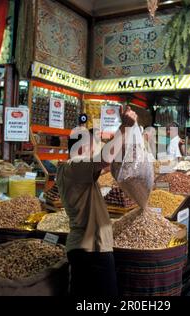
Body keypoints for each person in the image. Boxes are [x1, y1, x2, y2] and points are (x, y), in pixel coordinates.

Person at [56, 107, 137, 296]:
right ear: (84, 147)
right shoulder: (73, 166)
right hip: (90, 249)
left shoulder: (77, 170)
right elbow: (104, 158)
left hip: (88, 248)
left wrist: (127, 136)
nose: (97, 148)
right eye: (95, 145)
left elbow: (109, 162)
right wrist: (124, 126)